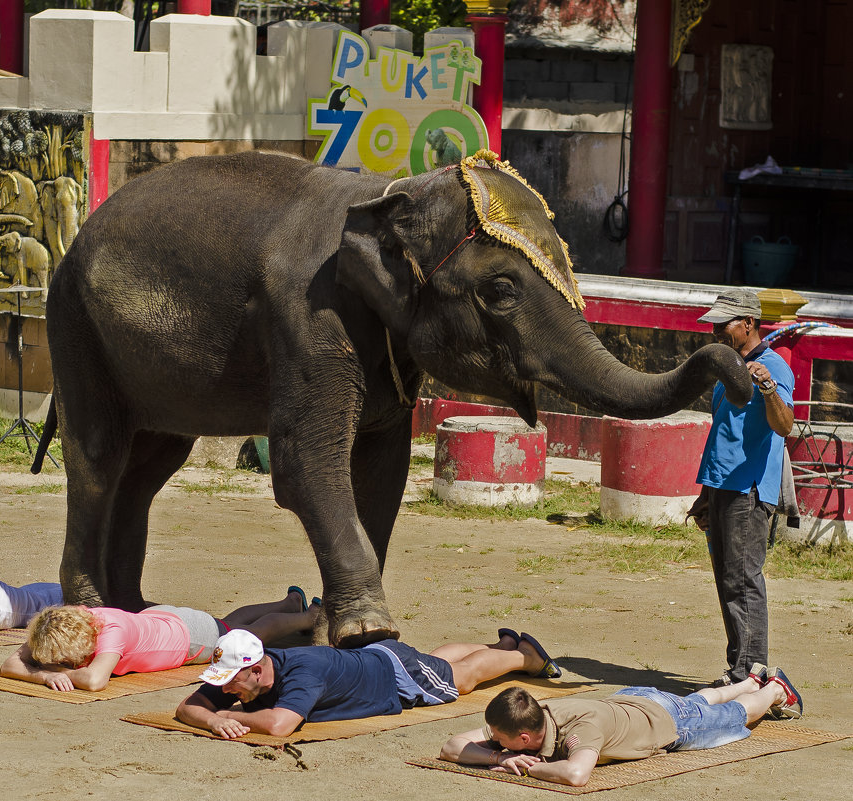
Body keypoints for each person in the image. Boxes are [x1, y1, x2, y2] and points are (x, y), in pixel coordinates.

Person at [439, 665, 803, 787]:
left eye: (501, 743)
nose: (494, 743)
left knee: (739, 715)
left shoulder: (582, 730)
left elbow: (577, 774)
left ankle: (771, 689)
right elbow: (451, 746)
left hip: (668, 721)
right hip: (635, 701)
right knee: (697, 701)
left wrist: (534, 768)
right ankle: (748, 680)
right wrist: (499, 760)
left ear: (523, 738)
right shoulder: (529, 713)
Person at [175, 626, 562, 739]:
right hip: (380, 660)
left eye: (230, 683)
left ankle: (523, 655)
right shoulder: (240, 674)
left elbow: (279, 726)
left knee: (458, 682)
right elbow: (186, 706)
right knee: (437, 664)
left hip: (393, 675)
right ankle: (502, 644)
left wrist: (224, 713)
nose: (224, 689)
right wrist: (211, 719)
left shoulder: (302, 674)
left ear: (256, 669)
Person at [690, 288, 794, 685]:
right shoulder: (729, 368)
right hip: (722, 487)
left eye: (724, 324)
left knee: (743, 580)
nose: (717, 331)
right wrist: (704, 493)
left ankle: (750, 676)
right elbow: (722, 434)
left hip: (748, 492)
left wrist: (767, 388)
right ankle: (740, 670)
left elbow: (784, 427)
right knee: (726, 581)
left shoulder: (774, 367)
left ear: (748, 323)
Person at [0, 587, 320, 692]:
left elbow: (96, 680)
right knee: (228, 622)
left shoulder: (111, 633)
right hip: (161, 621)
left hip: (187, 638)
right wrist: (42, 674)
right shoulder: (61, 623)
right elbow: (10, 664)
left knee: (243, 635)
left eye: (61, 659)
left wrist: (58, 674)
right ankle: (291, 603)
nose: (60, 664)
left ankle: (309, 617)